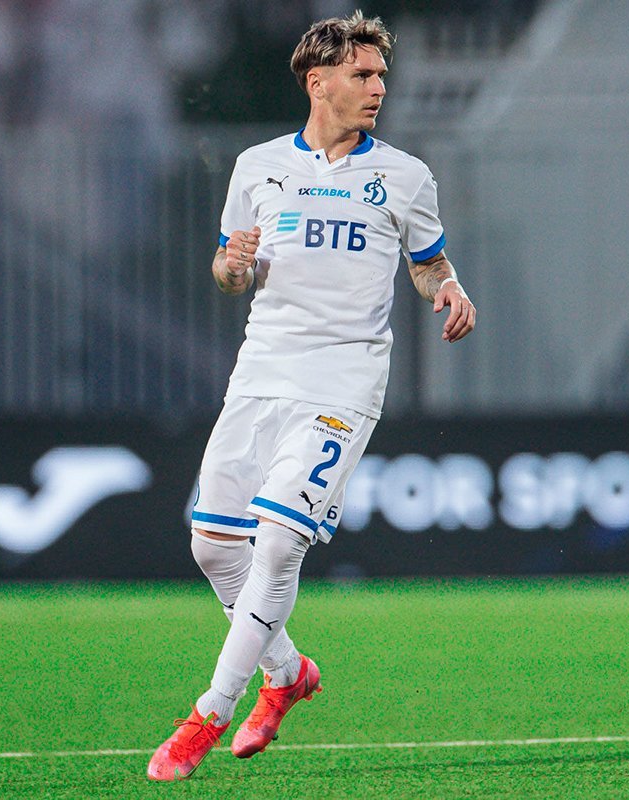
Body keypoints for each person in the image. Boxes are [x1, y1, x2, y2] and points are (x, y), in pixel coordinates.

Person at [147, 10, 476, 781]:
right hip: (262, 373)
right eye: (363, 75)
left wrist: (450, 286)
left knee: (278, 543)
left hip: (343, 382)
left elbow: (428, 261)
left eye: (381, 75)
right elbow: (230, 271)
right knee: (211, 545)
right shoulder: (257, 167)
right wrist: (232, 266)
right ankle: (288, 673)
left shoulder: (405, 176)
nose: (378, 87)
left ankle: (207, 716)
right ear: (317, 80)